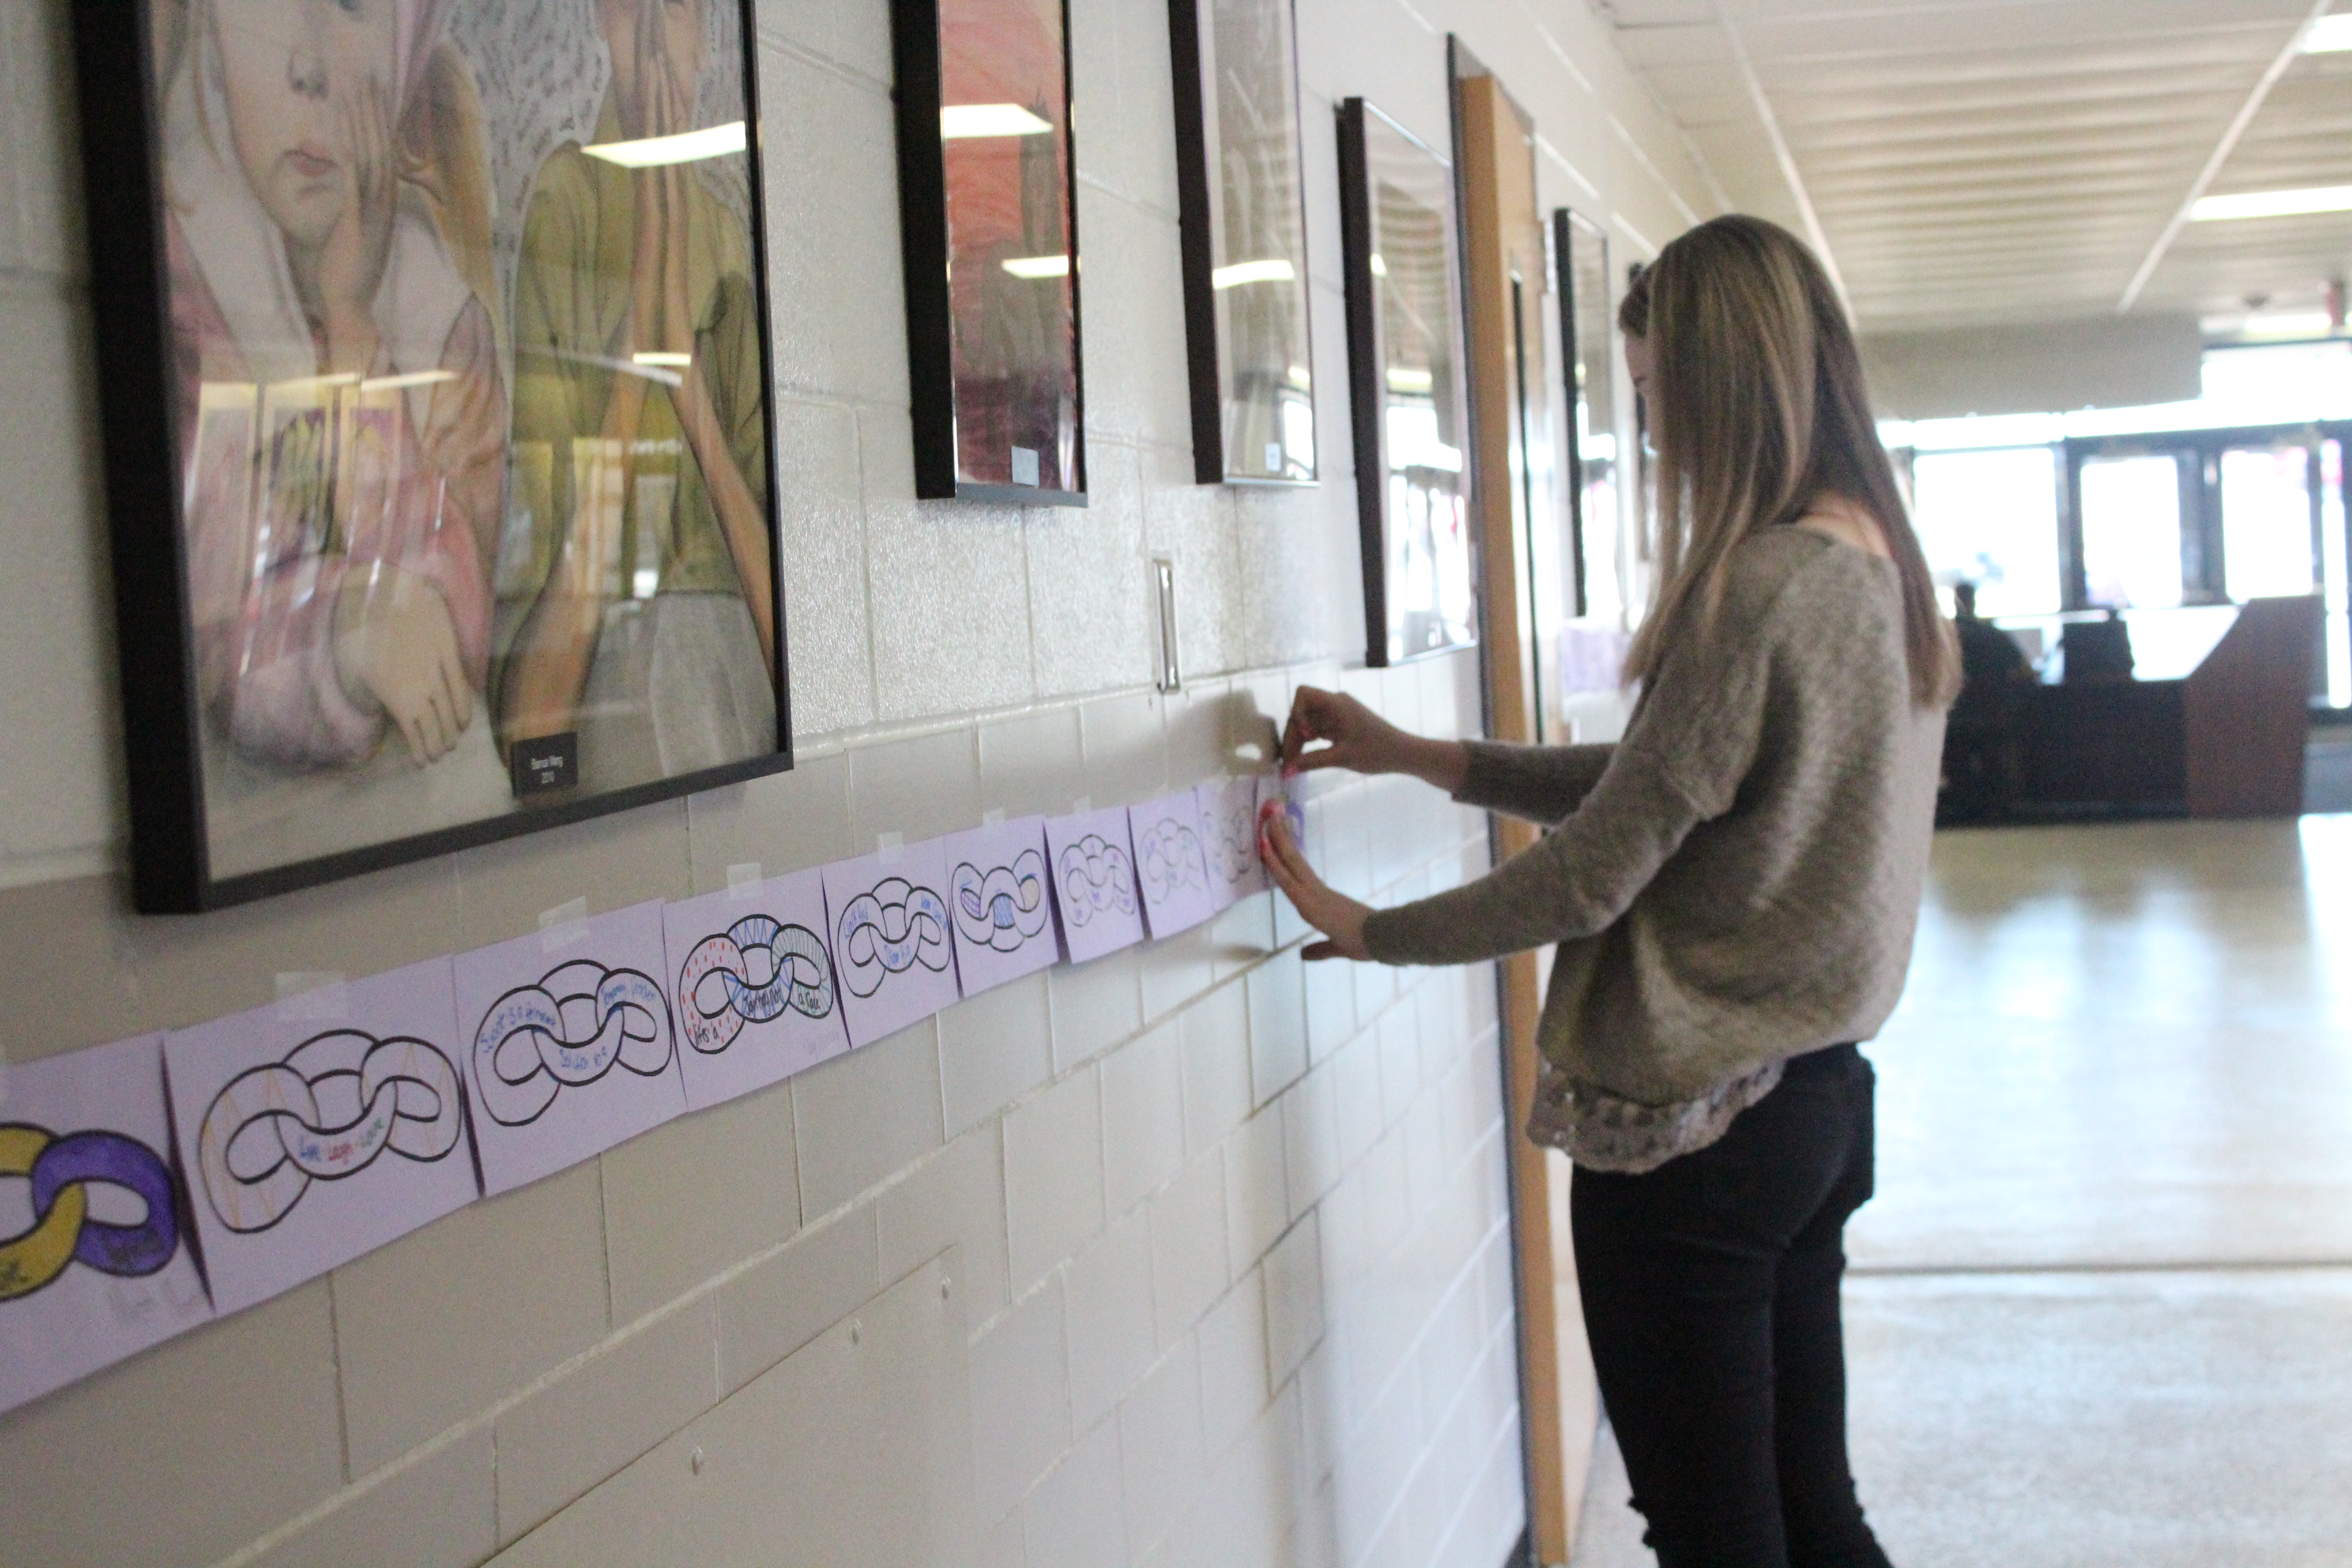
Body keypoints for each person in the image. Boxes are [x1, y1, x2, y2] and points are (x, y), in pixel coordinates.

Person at [1260, 214, 1957, 1567]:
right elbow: (1670, 779)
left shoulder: (1759, 588)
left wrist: (1372, 930)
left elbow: (1596, 874)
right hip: (1814, 1105)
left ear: (1718, 384)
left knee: (1713, 1535)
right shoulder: (1879, 563)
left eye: (1650, 398)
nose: (1648, 437)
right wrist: (1427, 757)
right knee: (1815, 1515)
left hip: (1698, 1139)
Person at [163, 0, 509, 866]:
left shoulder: (438, 319)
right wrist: (346, 629)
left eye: (352, 6)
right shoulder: (176, 305)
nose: (307, 65)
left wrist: (350, 325)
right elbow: (217, 635)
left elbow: (455, 633)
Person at [498, 0, 775, 792]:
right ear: (597, 19)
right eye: (632, 9)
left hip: (720, 691)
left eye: (680, 12)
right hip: (606, 680)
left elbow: (778, 621)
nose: (656, 40)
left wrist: (687, 387)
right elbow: (535, 710)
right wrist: (634, 363)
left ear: (708, 43)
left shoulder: (724, 233)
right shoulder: (570, 197)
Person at [1939, 581, 2034, 822]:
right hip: (1993, 715)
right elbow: (2025, 671)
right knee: (1995, 762)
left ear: (1954, 601)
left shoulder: (1945, 635)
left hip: (1955, 717)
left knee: (1958, 764)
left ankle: (1963, 810)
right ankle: (1996, 809)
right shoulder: (1992, 635)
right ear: (1974, 601)